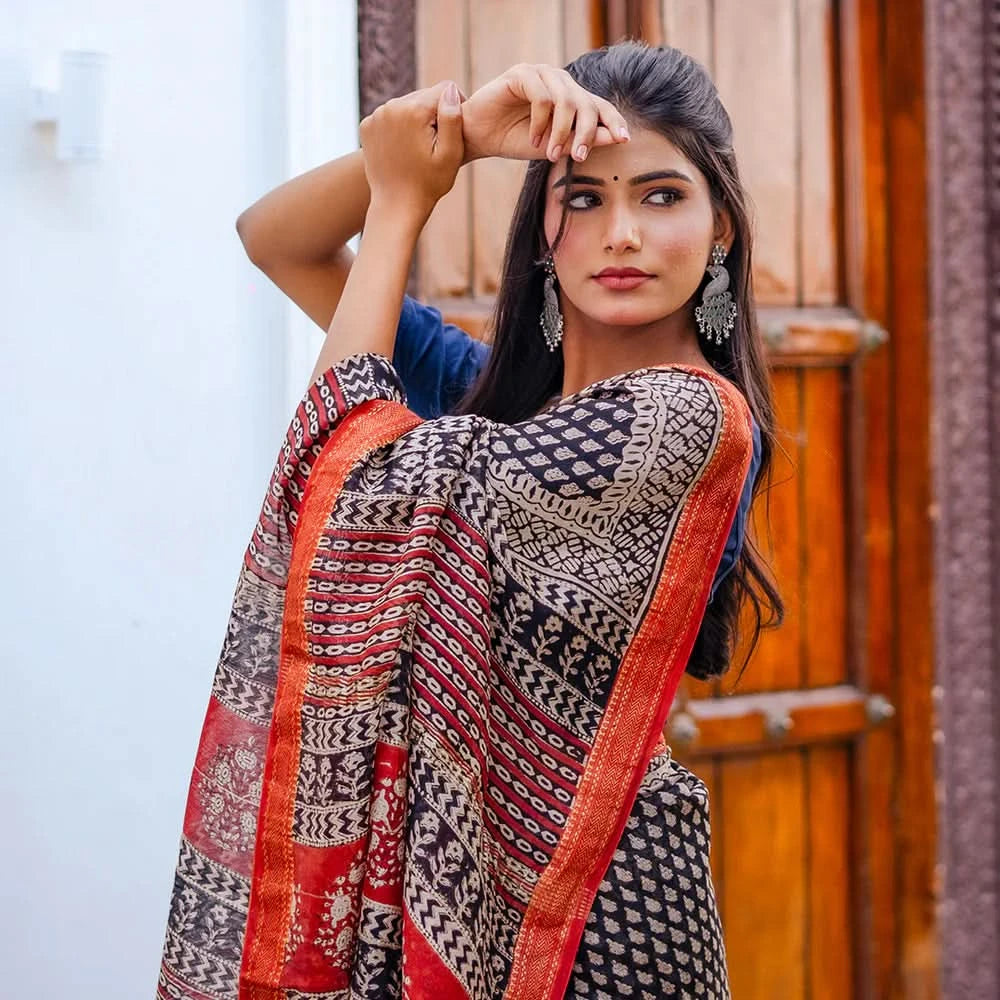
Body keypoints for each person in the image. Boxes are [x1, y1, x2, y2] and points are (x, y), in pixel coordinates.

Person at [157, 41, 783, 1000]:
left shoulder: (686, 424)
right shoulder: (476, 399)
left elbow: (350, 489)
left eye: (662, 196)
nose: (622, 232)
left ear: (722, 230)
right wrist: (456, 136)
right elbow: (275, 238)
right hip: (441, 860)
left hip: (595, 905)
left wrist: (405, 202)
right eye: (583, 197)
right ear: (543, 232)